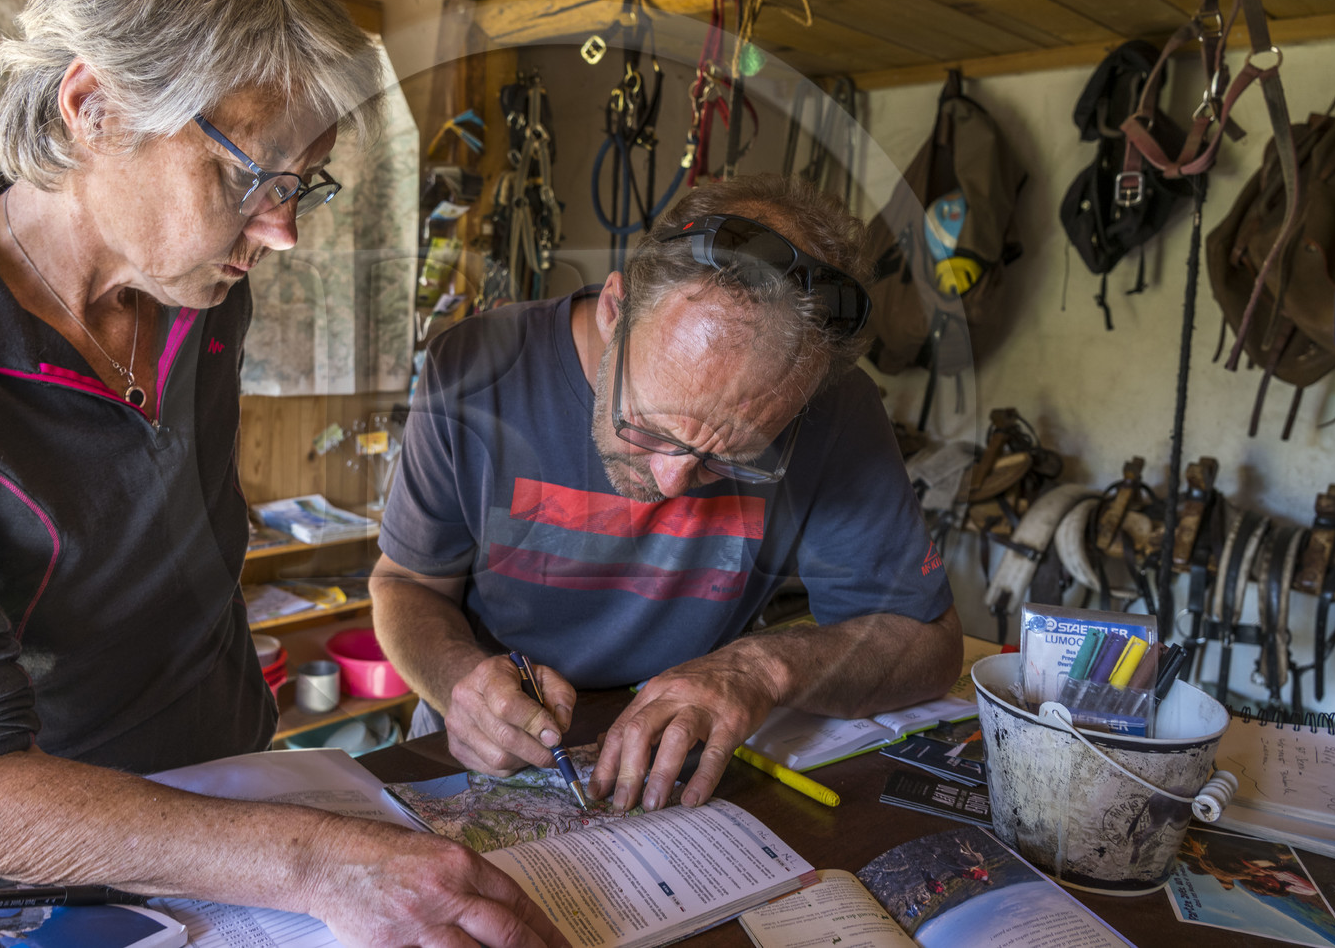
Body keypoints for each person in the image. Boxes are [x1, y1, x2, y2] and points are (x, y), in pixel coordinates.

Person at [0, 0, 564, 948]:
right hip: (54, 837)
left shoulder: (198, 285)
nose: (281, 230)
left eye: (301, 183)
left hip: (234, 765)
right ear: (94, 106)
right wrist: (314, 858)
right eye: (250, 178)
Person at [372, 173, 962, 813]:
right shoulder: (475, 369)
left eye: (730, 457)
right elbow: (405, 586)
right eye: (648, 428)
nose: (670, 482)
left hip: (691, 747)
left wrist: (762, 669)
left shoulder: (835, 409)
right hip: (487, 738)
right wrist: (459, 678)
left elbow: (927, 642)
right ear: (614, 309)